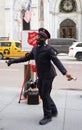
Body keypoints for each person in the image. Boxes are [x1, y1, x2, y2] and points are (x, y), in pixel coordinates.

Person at [6, 28, 73, 125]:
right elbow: (26, 58)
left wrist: (65, 73)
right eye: (38, 36)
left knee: (44, 95)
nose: (37, 37)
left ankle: (48, 116)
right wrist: (12, 61)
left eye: (40, 36)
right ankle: (53, 110)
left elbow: (56, 61)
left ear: (44, 39)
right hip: (41, 75)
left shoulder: (48, 49)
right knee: (43, 94)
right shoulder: (35, 49)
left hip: (49, 75)